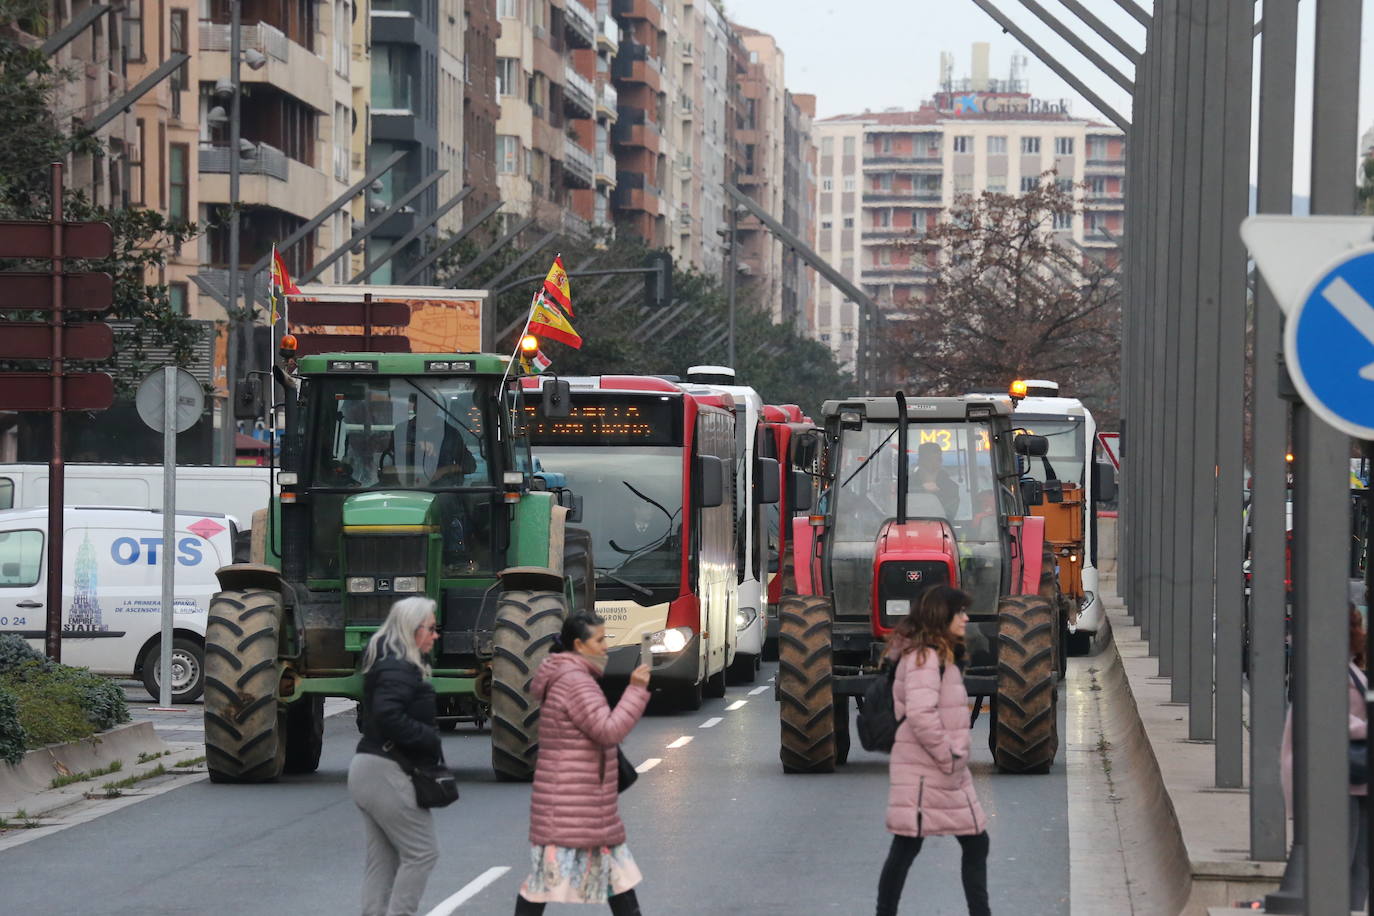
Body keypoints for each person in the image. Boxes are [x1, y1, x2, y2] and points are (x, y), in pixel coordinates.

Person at [515, 611, 652, 915]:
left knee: (613, 880)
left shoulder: (566, 675)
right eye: (599, 640)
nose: (605, 646)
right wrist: (635, 690)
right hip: (573, 802)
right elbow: (608, 731)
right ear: (579, 644)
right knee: (544, 883)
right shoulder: (576, 682)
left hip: (577, 801)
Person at [877, 585, 990, 916]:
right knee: (909, 845)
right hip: (930, 769)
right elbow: (921, 714)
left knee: (963, 842)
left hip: (940, 769)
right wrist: (949, 756)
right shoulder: (926, 659)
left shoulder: (937, 654)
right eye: (960, 613)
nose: (966, 618)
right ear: (944, 616)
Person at [349, 597, 443, 916]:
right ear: (412, 629)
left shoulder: (388, 662)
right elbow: (389, 715)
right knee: (423, 852)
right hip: (384, 771)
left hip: (368, 769)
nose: (435, 635)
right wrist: (429, 738)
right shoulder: (398, 667)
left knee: (383, 860)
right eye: (431, 628)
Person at [1281, 604, 1369, 910]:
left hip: (1352, 780)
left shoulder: (1340, 668)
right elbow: (1332, 718)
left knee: (1357, 864)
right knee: (1345, 862)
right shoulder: (1332, 671)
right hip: (1341, 780)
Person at [912, 441, 960, 517]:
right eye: (927, 459)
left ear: (940, 461)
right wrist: (921, 489)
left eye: (935, 459)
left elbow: (949, 516)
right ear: (919, 460)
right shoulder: (907, 484)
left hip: (940, 527)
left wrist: (935, 494)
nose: (931, 463)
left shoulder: (951, 487)